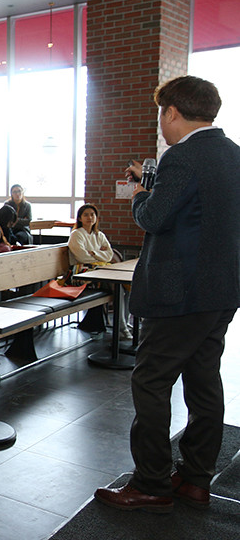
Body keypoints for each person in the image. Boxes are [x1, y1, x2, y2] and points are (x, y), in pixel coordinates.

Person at [95, 76, 240, 513]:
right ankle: (195, 478)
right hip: (222, 289)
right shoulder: (233, 154)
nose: (162, 124)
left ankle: (152, 482)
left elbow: (154, 218)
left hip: (178, 294)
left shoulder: (181, 156)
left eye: (162, 114)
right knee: (204, 381)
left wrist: (141, 194)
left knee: (151, 382)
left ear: (172, 112)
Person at [67, 203, 129, 339]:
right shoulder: (76, 234)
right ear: (80, 218)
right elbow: (82, 257)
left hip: (99, 270)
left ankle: (124, 323)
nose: (90, 217)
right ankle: (121, 328)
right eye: (86, 215)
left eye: (92, 215)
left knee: (126, 286)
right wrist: (99, 254)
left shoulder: (99, 235)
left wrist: (93, 253)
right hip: (82, 274)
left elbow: (109, 254)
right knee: (117, 286)